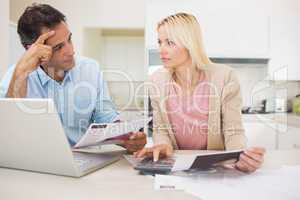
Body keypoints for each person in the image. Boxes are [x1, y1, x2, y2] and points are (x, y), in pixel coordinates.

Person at [0, 3, 146, 153]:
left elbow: (105, 116)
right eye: (58, 47)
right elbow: (9, 131)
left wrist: (127, 137)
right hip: (37, 163)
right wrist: (21, 72)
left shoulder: (91, 69)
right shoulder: (16, 76)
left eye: (69, 39)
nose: (71, 51)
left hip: (83, 160)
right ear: (31, 49)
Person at [135, 12, 265, 173]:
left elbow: (234, 131)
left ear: (190, 43)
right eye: (160, 42)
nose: (161, 49)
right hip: (177, 168)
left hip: (216, 168)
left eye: (170, 42)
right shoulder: (156, 80)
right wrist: (163, 145)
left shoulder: (225, 77)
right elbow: (160, 129)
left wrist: (240, 158)